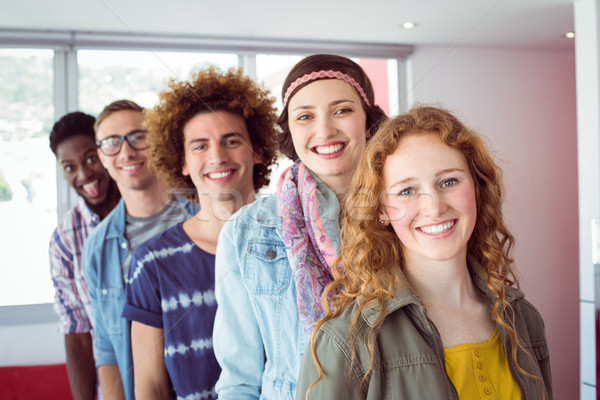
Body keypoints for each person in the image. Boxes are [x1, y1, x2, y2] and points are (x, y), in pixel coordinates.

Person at [296, 106, 553, 399]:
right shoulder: (343, 342)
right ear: (381, 210)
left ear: (478, 189)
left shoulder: (523, 318)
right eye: (407, 191)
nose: (434, 207)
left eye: (449, 182)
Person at [213, 54, 387, 399]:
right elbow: (239, 380)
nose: (325, 130)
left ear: (369, 120)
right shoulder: (245, 230)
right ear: (289, 131)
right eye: (305, 116)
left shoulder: (408, 213)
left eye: (342, 110)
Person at [122, 67, 279, 400]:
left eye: (231, 140)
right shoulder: (152, 264)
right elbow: (150, 387)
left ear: (259, 150)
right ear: (182, 161)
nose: (217, 156)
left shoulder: (292, 243)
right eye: (199, 146)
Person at [82, 100, 196, 400]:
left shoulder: (202, 215)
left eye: (138, 136)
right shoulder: (97, 247)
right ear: (102, 157)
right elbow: (106, 347)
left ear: (158, 141)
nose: (126, 151)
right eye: (112, 143)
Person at [49, 111, 121, 399]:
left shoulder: (147, 212)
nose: (83, 175)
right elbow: (77, 332)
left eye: (91, 158)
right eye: (69, 167)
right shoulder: (65, 240)